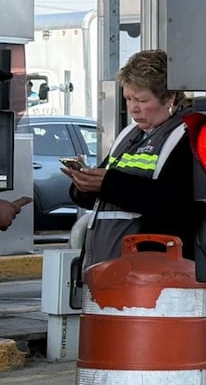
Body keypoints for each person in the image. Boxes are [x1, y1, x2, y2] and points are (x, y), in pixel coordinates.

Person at [62, 50, 195, 270]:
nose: (133, 108)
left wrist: (107, 184)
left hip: (154, 271)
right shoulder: (129, 135)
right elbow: (104, 195)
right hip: (108, 268)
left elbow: (175, 202)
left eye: (142, 100)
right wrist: (83, 185)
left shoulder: (185, 135)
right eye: (128, 99)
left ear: (169, 98)